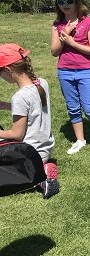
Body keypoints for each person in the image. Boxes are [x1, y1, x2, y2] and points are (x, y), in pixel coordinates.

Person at [50, 0, 90, 154]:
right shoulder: (57, 25)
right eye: (61, 2)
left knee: (89, 107)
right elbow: (54, 52)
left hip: (85, 71)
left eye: (69, 1)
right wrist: (63, 37)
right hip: (65, 71)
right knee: (73, 107)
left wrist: (71, 42)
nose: (65, 5)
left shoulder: (88, 23)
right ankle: (80, 140)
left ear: (77, 2)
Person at [0, 43, 59, 198]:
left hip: (29, 154)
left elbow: (16, 134)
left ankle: (40, 177)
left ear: (7, 70)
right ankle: (41, 168)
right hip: (45, 149)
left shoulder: (20, 96)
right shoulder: (41, 83)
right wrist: (5, 105)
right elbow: (32, 110)